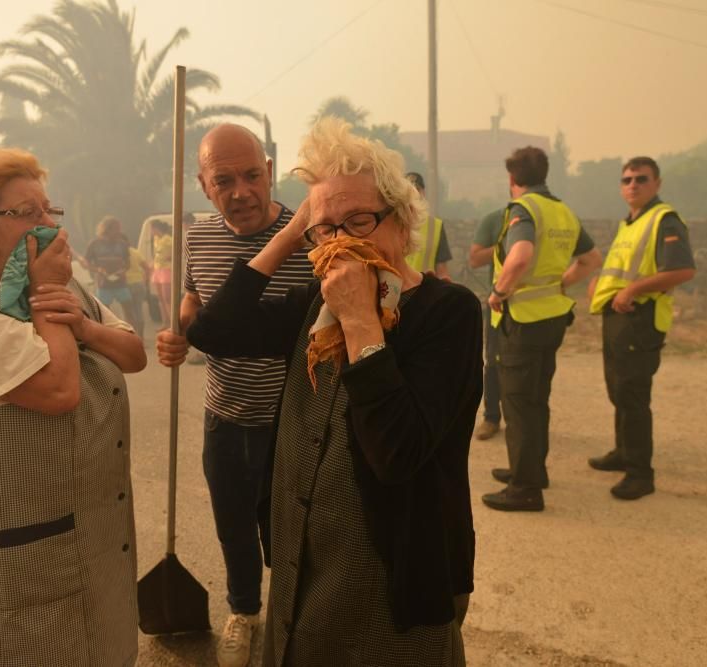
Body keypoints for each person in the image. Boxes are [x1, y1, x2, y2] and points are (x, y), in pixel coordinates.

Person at [161, 118, 481, 666]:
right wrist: (289, 236)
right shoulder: (314, 305)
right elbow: (213, 332)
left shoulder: (445, 312)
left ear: (402, 225)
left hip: (392, 580)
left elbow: (398, 452)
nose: (340, 242)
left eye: (358, 220)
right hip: (305, 570)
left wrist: (361, 321)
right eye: (325, 230)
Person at [0, 148, 147, 665]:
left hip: (98, 526)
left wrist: (84, 325)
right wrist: (49, 298)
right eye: (27, 213)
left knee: (106, 649)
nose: (48, 225)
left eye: (49, 210)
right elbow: (58, 391)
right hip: (31, 544)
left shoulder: (60, 284)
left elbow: (133, 354)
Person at [155, 123, 313, 667]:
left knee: (293, 529)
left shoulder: (308, 234)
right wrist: (179, 333)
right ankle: (245, 613)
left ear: (270, 170)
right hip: (223, 412)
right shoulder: (196, 237)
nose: (241, 190)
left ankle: (295, 621)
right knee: (233, 526)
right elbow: (192, 298)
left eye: (252, 175)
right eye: (224, 180)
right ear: (204, 185)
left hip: (292, 417)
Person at [481, 146, 603, 512]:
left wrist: (499, 292)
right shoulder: (563, 210)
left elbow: (520, 257)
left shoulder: (524, 210)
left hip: (523, 320)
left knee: (517, 403)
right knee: (536, 398)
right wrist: (561, 283)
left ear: (512, 179)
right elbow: (592, 260)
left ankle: (525, 488)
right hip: (552, 317)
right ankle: (532, 469)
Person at [587, 156, 696, 500]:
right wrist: (599, 287)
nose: (633, 185)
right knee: (618, 390)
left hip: (640, 319)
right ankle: (623, 452)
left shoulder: (665, 220)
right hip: (618, 318)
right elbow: (622, 270)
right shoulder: (630, 224)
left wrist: (633, 290)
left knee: (633, 395)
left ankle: (640, 473)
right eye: (627, 179)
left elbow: (682, 271)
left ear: (657, 183)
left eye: (641, 179)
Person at [468, 208, 506, 440]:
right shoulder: (496, 219)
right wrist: (505, 245)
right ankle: (491, 417)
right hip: (498, 303)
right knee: (492, 361)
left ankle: (526, 422)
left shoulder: (549, 218)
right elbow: (475, 259)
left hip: (537, 306)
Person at [85, 215, 141, 331]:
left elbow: (127, 263)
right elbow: (86, 263)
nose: (119, 232)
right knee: (104, 315)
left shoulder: (122, 244)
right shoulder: (94, 244)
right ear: (107, 229)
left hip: (121, 283)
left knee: (129, 311)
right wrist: (98, 270)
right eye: (116, 229)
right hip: (103, 284)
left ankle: (134, 335)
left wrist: (123, 270)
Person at [404, 172, 452, 279]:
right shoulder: (390, 224)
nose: (414, 194)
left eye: (417, 189)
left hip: (426, 291)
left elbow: (442, 270)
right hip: (397, 291)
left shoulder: (436, 226)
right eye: (410, 190)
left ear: (423, 193)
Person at [149, 219, 173, 329]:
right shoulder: (156, 239)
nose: (151, 231)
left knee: (167, 298)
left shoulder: (168, 239)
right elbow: (156, 254)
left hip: (166, 270)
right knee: (160, 298)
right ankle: (165, 322)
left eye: (151, 229)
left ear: (156, 228)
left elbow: (178, 251)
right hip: (157, 269)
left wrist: (170, 257)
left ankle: (173, 322)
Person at [125, 237, 151, 340]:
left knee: (129, 313)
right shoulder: (135, 252)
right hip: (138, 284)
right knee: (139, 311)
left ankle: (132, 337)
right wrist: (145, 280)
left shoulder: (119, 254)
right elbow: (147, 267)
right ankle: (141, 337)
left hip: (126, 285)